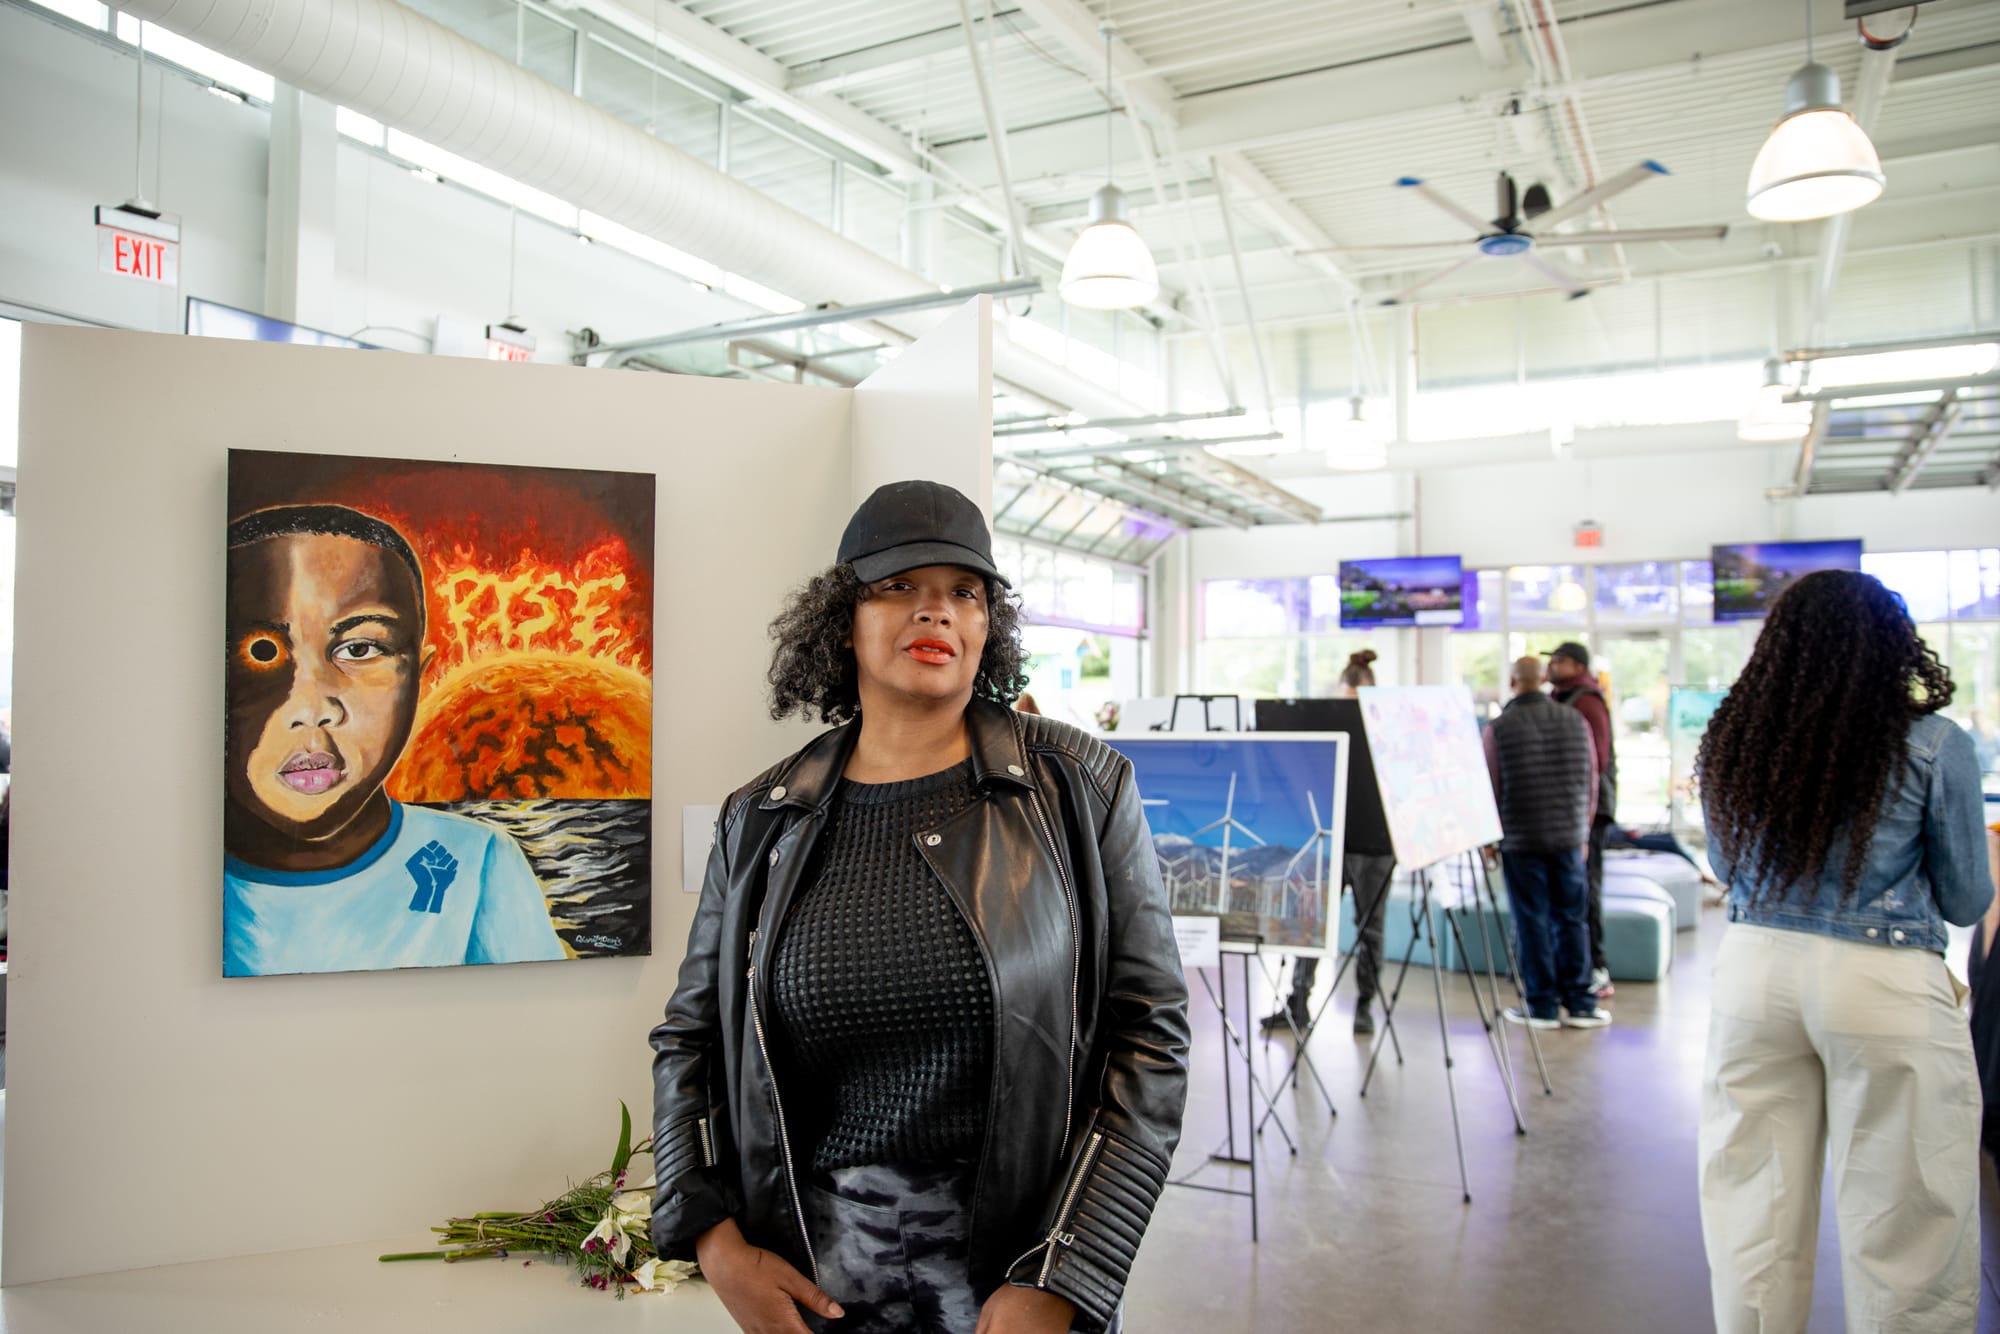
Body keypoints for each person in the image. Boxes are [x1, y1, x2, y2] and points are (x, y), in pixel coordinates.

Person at [649, 480, 1190, 1334]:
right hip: (815, 1292)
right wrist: (711, 1241)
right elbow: (689, 1041)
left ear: (987, 626)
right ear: (844, 623)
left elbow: (1149, 1039)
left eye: (962, 592)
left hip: (1018, 1290)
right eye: (898, 587)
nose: (934, 612)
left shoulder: (1081, 789)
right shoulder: (762, 817)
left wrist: (1066, 1274)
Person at [1696, 569, 1993, 1334]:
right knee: (1907, 1218)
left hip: (1753, 975)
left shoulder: (1738, 738)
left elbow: (1729, 871)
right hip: (1884, 983)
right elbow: (1965, 900)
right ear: (1891, 645)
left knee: (1752, 1212)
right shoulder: (1934, 744)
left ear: (1778, 647)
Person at [223, 505, 566, 976]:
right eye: (262, 653)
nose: (311, 707)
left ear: (418, 681)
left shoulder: (477, 862)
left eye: (360, 649)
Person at [1262, 649, 1395, 1038]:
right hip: (1328, 842)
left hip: (1376, 847)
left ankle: (1365, 1006)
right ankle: (1297, 1003)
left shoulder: (1388, 727)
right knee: (1310, 925)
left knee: (1371, 930)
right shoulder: (1323, 725)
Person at [1483, 655, 1608, 1031]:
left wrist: (1489, 841)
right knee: (1572, 919)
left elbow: (1491, 786)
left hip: (1522, 839)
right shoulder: (1575, 721)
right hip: (1569, 838)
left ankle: (1541, 1006)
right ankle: (1582, 1003)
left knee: (1532, 921)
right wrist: (1583, 832)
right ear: (1544, 680)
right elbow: (1591, 780)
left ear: (1512, 682)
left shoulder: (1499, 728)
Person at [1545, 641, 1616, 997]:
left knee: (1586, 889)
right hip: (1565, 812)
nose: (1551, 667)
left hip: (1587, 813)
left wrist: (1583, 818)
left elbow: (1596, 761)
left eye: (1557, 661)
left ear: (1575, 665)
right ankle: (1572, 970)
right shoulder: (1559, 699)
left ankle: (1597, 968)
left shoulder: (1587, 701)